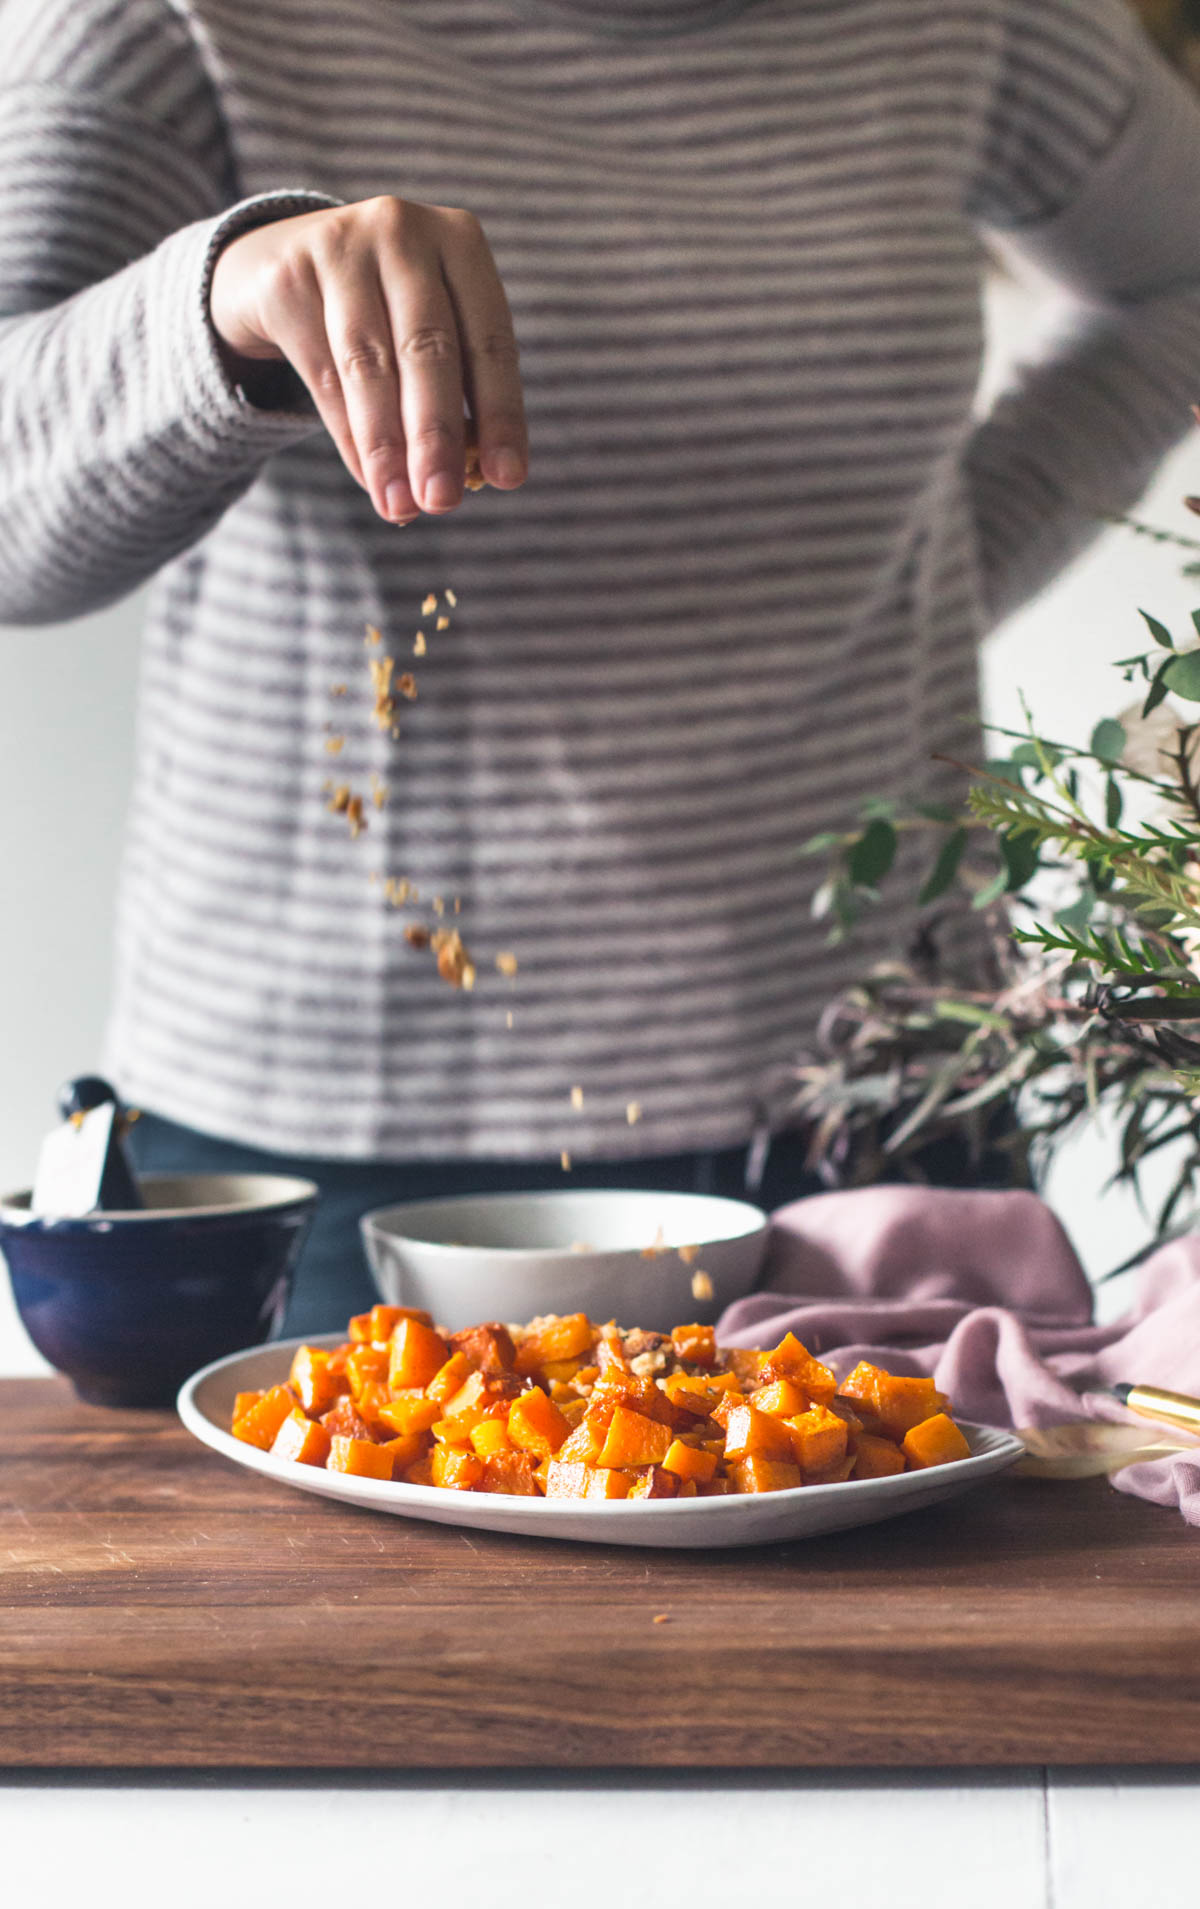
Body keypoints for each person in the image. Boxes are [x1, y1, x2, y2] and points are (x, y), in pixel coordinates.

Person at [5, 0, 1200, 1331]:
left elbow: (1181, 269)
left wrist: (937, 563)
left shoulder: (980, 21)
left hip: (876, 1114)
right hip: (338, 1152)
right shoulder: (177, 23)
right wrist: (218, 308)